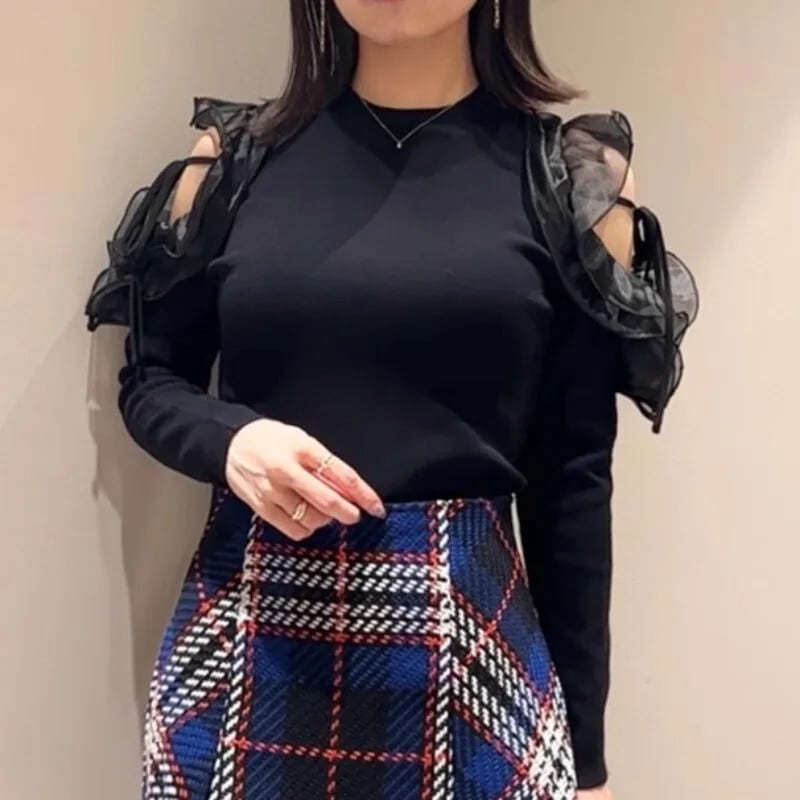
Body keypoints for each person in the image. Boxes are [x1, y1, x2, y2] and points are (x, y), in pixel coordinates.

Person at [85, 1, 698, 798]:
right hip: (248, 638)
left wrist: (588, 765)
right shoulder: (233, 160)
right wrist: (234, 443)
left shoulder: (571, 180)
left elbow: (572, 477)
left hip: (474, 654)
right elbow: (151, 378)